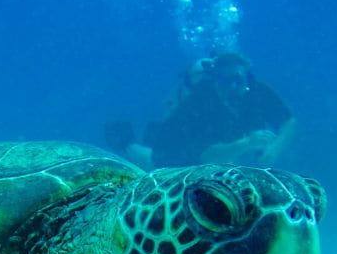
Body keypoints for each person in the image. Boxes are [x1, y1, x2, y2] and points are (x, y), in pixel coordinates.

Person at [111, 52, 296, 169]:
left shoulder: (257, 90)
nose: (233, 86)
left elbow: (288, 120)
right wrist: (247, 143)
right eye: (226, 81)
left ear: (247, 78)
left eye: (238, 80)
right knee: (154, 162)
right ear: (216, 80)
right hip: (180, 146)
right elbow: (206, 155)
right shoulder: (200, 102)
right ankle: (125, 141)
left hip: (224, 145)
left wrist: (274, 147)